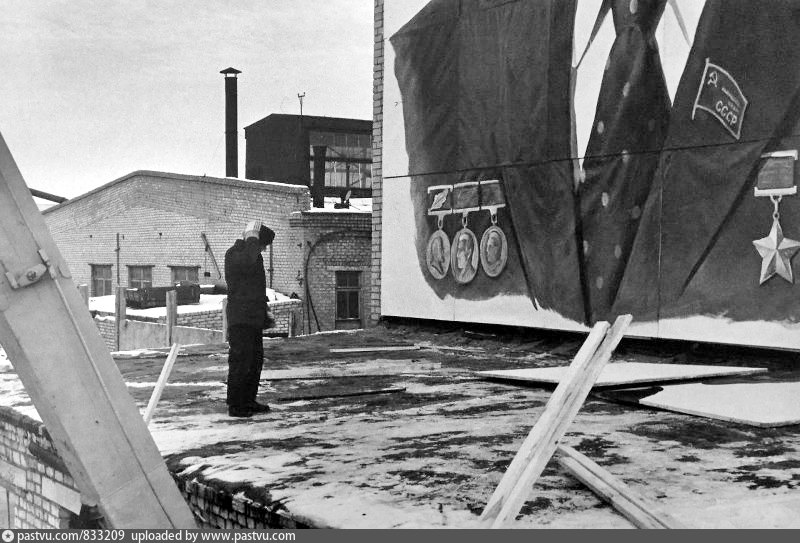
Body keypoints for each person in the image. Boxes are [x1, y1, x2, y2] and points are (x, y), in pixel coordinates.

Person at [224, 220, 275, 418]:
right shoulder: (234, 254)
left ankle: (248, 400)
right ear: (253, 241)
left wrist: (264, 312)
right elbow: (246, 263)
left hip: (253, 318)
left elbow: (256, 288)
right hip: (240, 319)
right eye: (262, 244)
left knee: (254, 362)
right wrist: (252, 237)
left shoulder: (255, 257)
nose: (263, 249)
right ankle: (236, 405)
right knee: (241, 361)